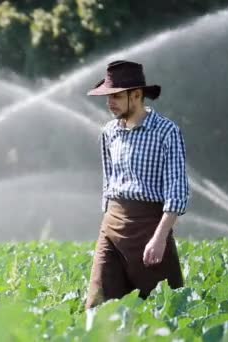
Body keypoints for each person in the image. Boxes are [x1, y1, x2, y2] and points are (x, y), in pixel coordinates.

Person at [84, 60, 190, 309]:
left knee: (163, 308)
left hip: (149, 228)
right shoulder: (109, 131)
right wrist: (108, 219)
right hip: (111, 226)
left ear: (137, 95)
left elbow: (177, 190)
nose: (110, 102)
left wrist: (160, 238)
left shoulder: (166, 131)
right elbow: (108, 181)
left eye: (117, 96)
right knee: (97, 306)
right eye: (108, 96)